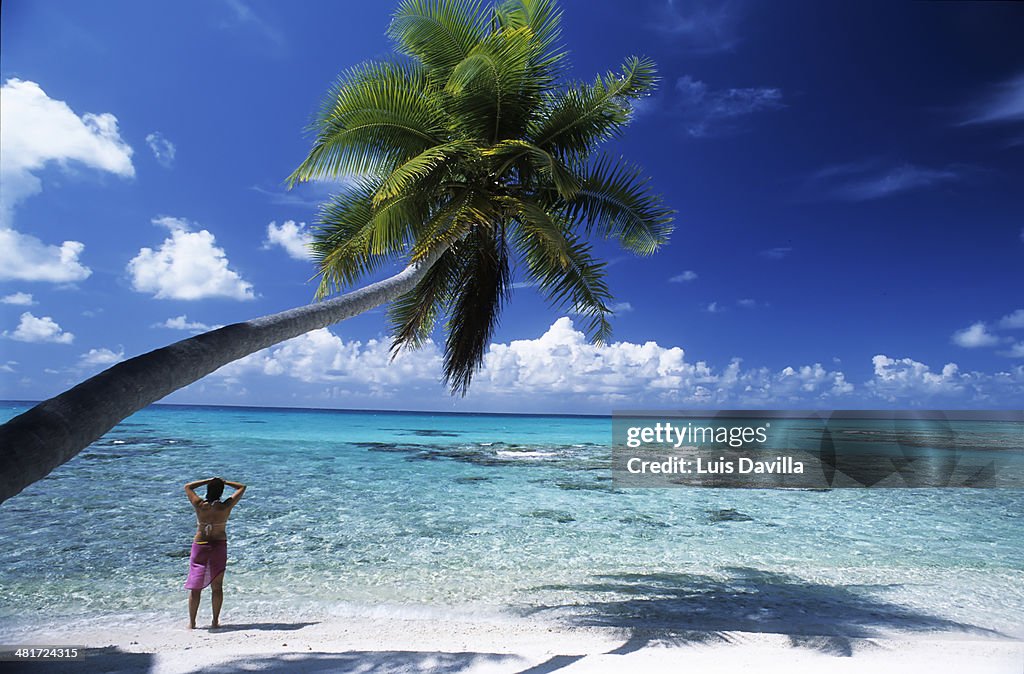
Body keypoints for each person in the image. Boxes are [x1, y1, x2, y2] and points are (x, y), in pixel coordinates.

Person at [183, 476, 245, 629]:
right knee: (217, 587)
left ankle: (192, 623)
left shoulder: (199, 505)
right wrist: (224, 482)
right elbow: (242, 487)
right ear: (221, 492)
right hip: (218, 546)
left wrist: (208, 480)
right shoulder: (225, 507)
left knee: (195, 587)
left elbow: (188, 487)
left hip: (200, 546)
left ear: (208, 490)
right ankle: (215, 621)